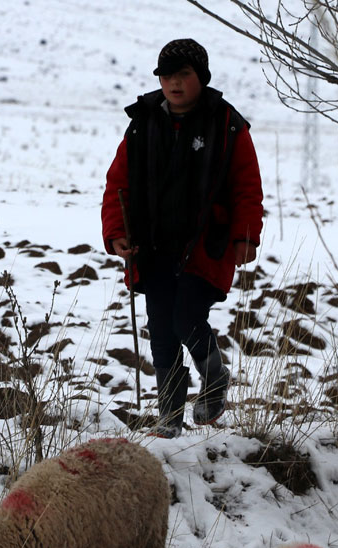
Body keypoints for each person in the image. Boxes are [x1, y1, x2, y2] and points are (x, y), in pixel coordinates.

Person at [102, 38, 265, 438]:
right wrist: (117, 234)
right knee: (161, 332)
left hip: (206, 246)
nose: (173, 83)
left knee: (186, 317)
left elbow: (247, 187)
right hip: (152, 247)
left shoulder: (227, 124)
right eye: (166, 75)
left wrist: (246, 237)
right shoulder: (142, 123)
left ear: (201, 77)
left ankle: (214, 382)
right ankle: (170, 420)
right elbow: (117, 184)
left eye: (183, 74)